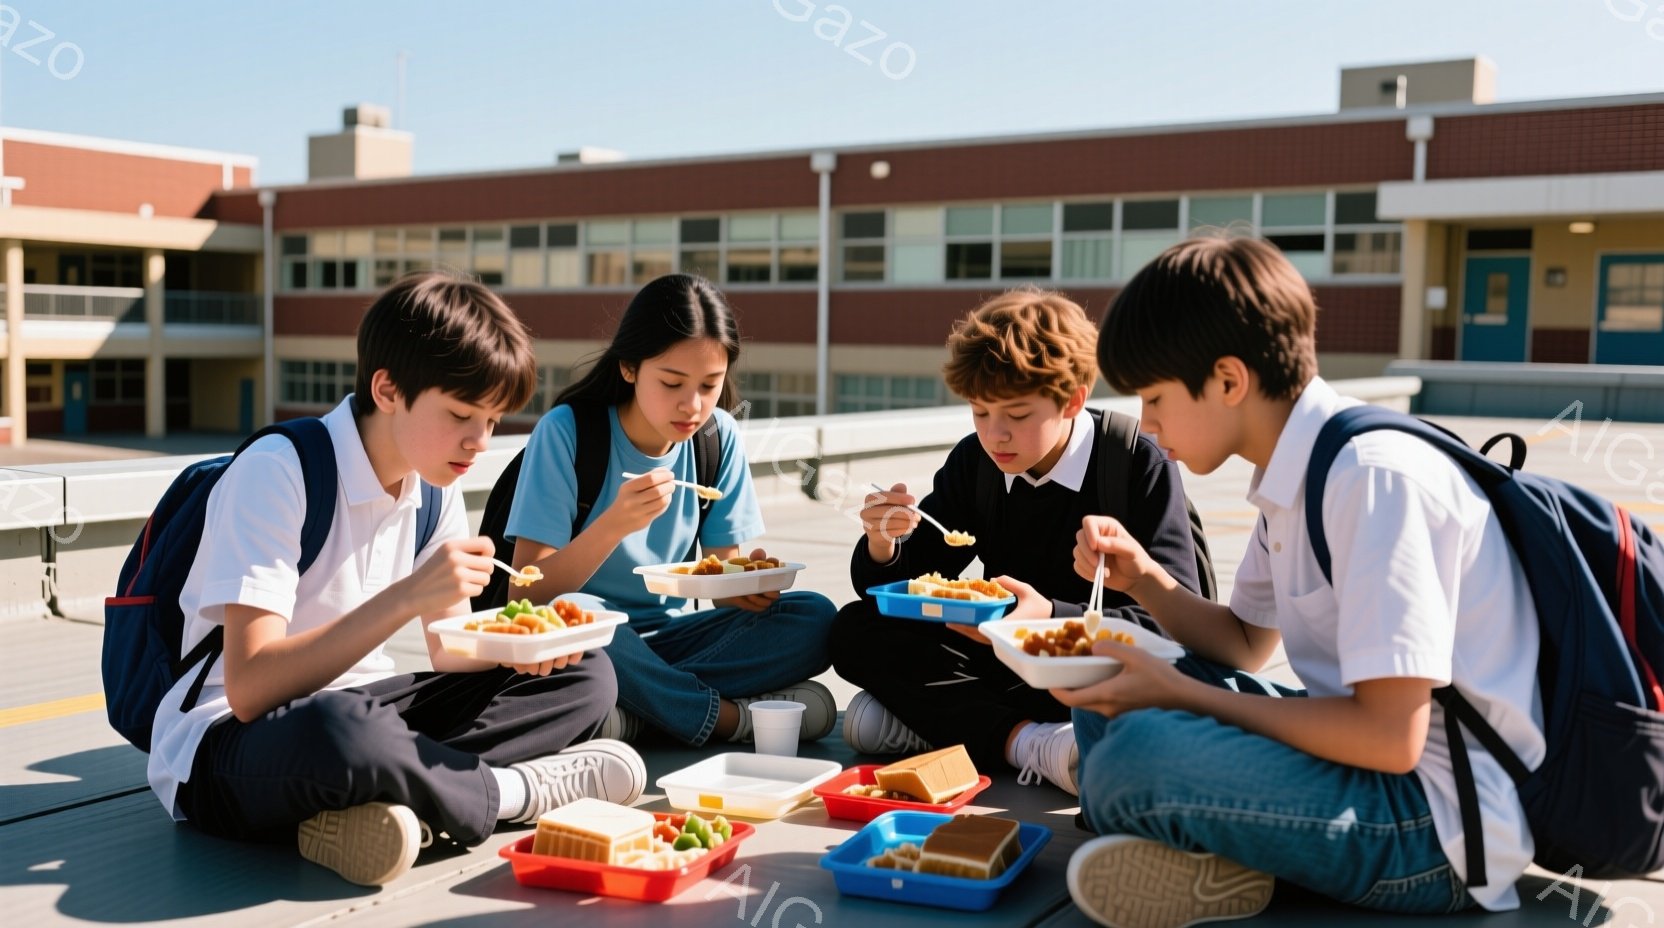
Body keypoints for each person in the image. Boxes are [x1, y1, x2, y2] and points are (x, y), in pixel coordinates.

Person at [1059, 236, 1542, 925]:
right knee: (1103, 678)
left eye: (1156, 396)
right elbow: (1246, 645)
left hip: (1436, 831)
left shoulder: (1372, 480)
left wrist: (1181, 696)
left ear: (1228, 381)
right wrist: (1143, 580)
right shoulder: (1298, 468)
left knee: (1136, 755)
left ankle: (1215, 844)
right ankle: (1222, 852)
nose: (1147, 421)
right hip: (1371, 776)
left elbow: (1390, 739)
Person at [150, 272, 644, 888]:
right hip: (229, 745)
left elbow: (447, 649)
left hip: (368, 711)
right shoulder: (278, 471)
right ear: (387, 389)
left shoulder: (436, 485)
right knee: (345, 733)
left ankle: (390, 809)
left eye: (492, 420)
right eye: (462, 414)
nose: (479, 442)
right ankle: (512, 792)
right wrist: (406, 596)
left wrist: (525, 648)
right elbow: (250, 686)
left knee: (590, 674)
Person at [827, 288, 1202, 795]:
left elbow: (1176, 626)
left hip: (1093, 664)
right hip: (1008, 664)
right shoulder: (977, 463)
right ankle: (1029, 744)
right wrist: (883, 541)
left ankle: (944, 726)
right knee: (854, 629)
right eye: (980, 413)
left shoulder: (1135, 462)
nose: (995, 435)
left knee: (1141, 691)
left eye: (1017, 416)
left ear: (1073, 399)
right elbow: (901, 584)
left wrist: (1047, 617)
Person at [506, 273, 838, 747]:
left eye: (710, 385)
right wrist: (615, 523)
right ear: (629, 368)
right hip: (593, 637)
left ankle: (639, 709)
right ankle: (726, 718)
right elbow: (529, 592)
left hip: (673, 639)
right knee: (569, 615)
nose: (693, 404)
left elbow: (720, 584)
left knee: (815, 617)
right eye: (672, 382)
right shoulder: (567, 433)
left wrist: (747, 584)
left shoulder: (716, 437)